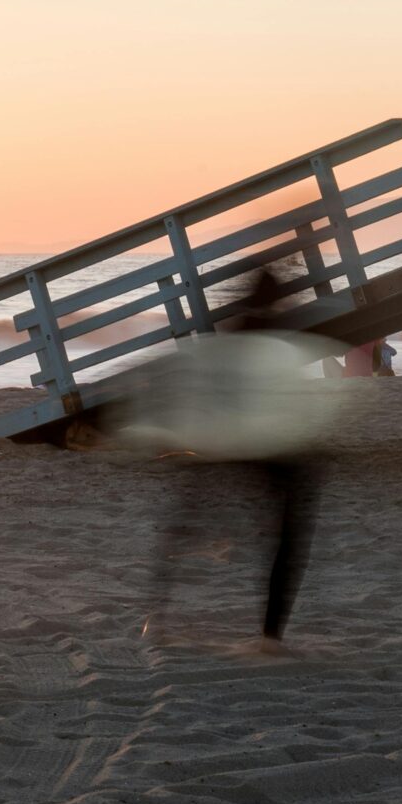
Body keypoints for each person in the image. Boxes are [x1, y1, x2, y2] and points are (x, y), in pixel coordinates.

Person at [119, 270, 333, 649]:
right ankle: (270, 636)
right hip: (271, 446)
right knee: (287, 536)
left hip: (221, 440)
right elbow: (293, 398)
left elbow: (199, 382)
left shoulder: (234, 331)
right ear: (279, 298)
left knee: (187, 521)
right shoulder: (281, 335)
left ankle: (158, 616)